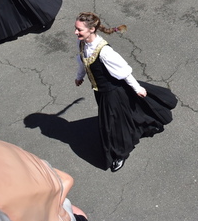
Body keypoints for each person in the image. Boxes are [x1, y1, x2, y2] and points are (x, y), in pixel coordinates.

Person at [74, 12, 176, 172]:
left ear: (92, 29)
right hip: (100, 92)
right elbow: (82, 61)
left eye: (79, 30)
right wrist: (79, 76)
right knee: (121, 118)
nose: (76, 32)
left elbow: (124, 71)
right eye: (76, 28)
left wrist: (137, 88)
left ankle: (119, 154)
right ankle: (134, 127)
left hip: (112, 93)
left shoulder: (105, 51)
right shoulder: (82, 43)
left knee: (112, 126)